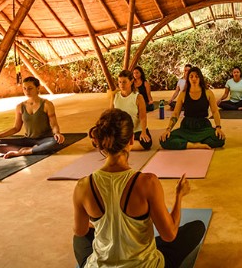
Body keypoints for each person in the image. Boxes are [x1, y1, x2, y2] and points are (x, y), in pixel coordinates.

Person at [73, 109, 206, 268]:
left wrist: (104, 223)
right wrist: (179, 196)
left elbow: (80, 231)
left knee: (79, 238)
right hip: (146, 265)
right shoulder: (147, 182)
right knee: (197, 227)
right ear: (131, 140)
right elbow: (169, 234)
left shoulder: (83, 186)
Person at [0, 76, 65, 159]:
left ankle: (24, 152)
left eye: (30, 88)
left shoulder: (47, 104)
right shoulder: (20, 107)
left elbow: (54, 125)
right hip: (28, 140)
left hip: (45, 139)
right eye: (24, 88)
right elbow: (16, 128)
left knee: (55, 142)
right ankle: (31, 149)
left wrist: (57, 133)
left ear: (38, 88)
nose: (27, 91)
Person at [160, 66, 225, 149]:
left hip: (203, 126)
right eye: (191, 76)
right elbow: (176, 113)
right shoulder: (183, 94)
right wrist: (168, 129)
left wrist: (218, 127)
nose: (194, 79)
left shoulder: (208, 93)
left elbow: (215, 111)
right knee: (164, 140)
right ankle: (193, 144)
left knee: (220, 139)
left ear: (200, 78)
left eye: (196, 76)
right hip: (187, 126)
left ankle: (187, 142)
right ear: (188, 79)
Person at [110, 70, 152, 151]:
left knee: (146, 143)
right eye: (120, 82)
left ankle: (119, 145)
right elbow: (110, 115)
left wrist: (143, 132)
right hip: (121, 130)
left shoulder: (138, 97)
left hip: (136, 130)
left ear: (131, 81)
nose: (121, 85)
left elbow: (143, 117)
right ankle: (124, 145)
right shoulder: (115, 96)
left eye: (124, 82)